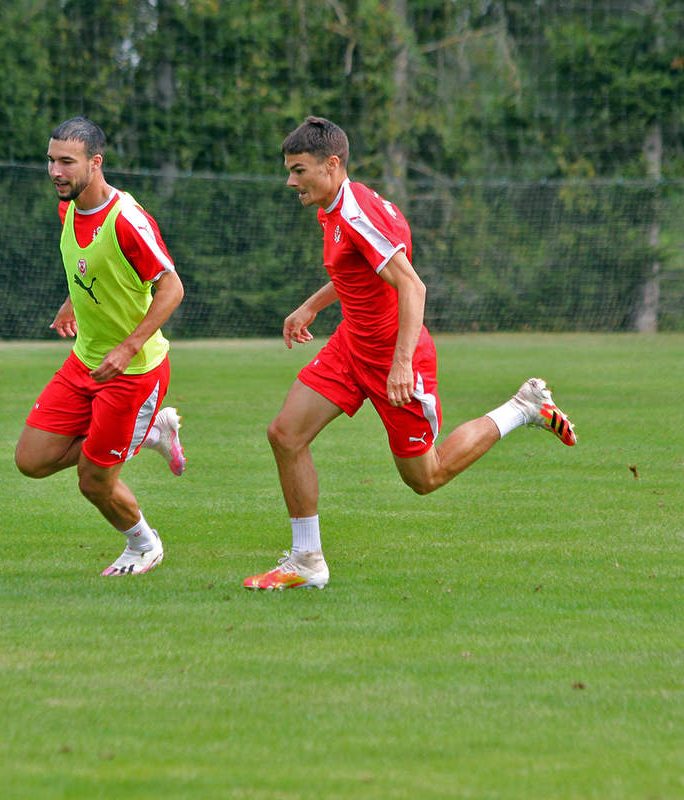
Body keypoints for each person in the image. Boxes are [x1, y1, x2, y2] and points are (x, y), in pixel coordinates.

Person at [244, 116, 577, 591]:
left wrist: (401, 364)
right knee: (285, 434)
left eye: (298, 170)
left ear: (331, 164)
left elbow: (411, 285)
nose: (290, 180)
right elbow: (355, 270)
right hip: (350, 346)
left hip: (394, 358)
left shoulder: (357, 213)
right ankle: (306, 560)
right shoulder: (333, 205)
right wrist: (310, 306)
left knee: (426, 477)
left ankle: (523, 409)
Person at [15, 116, 187, 577]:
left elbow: (172, 287)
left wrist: (129, 347)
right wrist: (70, 301)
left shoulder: (127, 220)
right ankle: (147, 434)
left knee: (93, 481)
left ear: (96, 162)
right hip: (85, 362)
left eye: (66, 162)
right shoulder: (68, 207)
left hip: (134, 373)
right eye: (51, 160)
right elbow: (90, 266)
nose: (55, 171)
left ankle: (144, 546)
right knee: (30, 460)